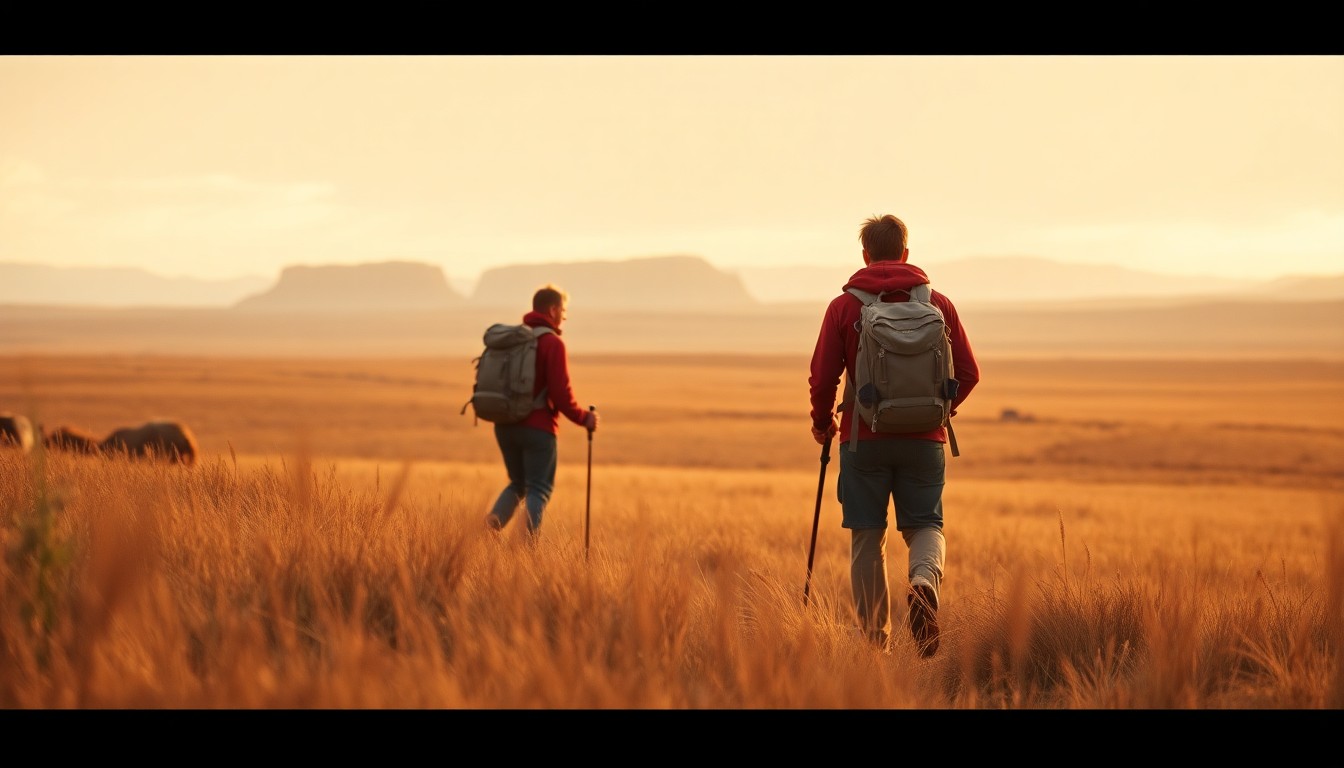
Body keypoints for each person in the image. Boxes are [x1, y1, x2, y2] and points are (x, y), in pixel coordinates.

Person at [807, 214, 980, 657]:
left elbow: (822, 376)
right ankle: (923, 582)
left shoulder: (844, 307)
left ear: (865, 255)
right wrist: (940, 412)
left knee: (868, 535)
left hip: (863, 439)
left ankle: (874, 646)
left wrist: (823, 421)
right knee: (926, 525)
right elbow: (969, 373)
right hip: (926, 440)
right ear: (906, 253)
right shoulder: (938, 304)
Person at [485, 284, 599, 538]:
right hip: (538, 429)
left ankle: (488, 531)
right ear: (553, 309)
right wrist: (584, 418)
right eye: (563, 311)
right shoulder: (552, 343)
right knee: (538, 488)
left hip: (504, 424)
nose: (564, 317)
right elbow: (561, 394)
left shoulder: (515, 340)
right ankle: (525, 550)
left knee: (518, 483)